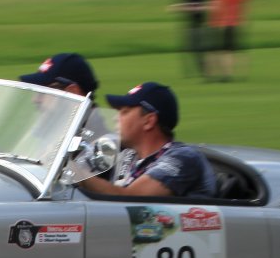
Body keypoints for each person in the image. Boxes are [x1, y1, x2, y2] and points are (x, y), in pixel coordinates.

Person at [78, 82, 215, 198]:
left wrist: (74, 173)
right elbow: (79, 168)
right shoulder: (126, 152)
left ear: (149, 121)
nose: (115, 118)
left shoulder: (183, 158)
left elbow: (132, 199)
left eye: (124, 112)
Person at [19, 51, 109, 135]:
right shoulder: (60, 137)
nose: (35, 99)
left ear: (72, 93)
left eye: (43, 91)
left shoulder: (98, 144)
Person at [208, 0, 250, 82]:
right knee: (230, 50)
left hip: (220, 23)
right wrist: (244, 20)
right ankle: (231, 73)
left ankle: (224, 74)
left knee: (221, 51)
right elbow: (244, 7)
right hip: (236, 23)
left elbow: (215, 7)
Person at [167, 0, 211, 79]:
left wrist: (186, 8)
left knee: (200, 49)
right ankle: (197, 71)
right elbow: (172, 8)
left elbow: (205, 6)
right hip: (190, 25)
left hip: (201, 25)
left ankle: (205, 71)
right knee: (193, 49)